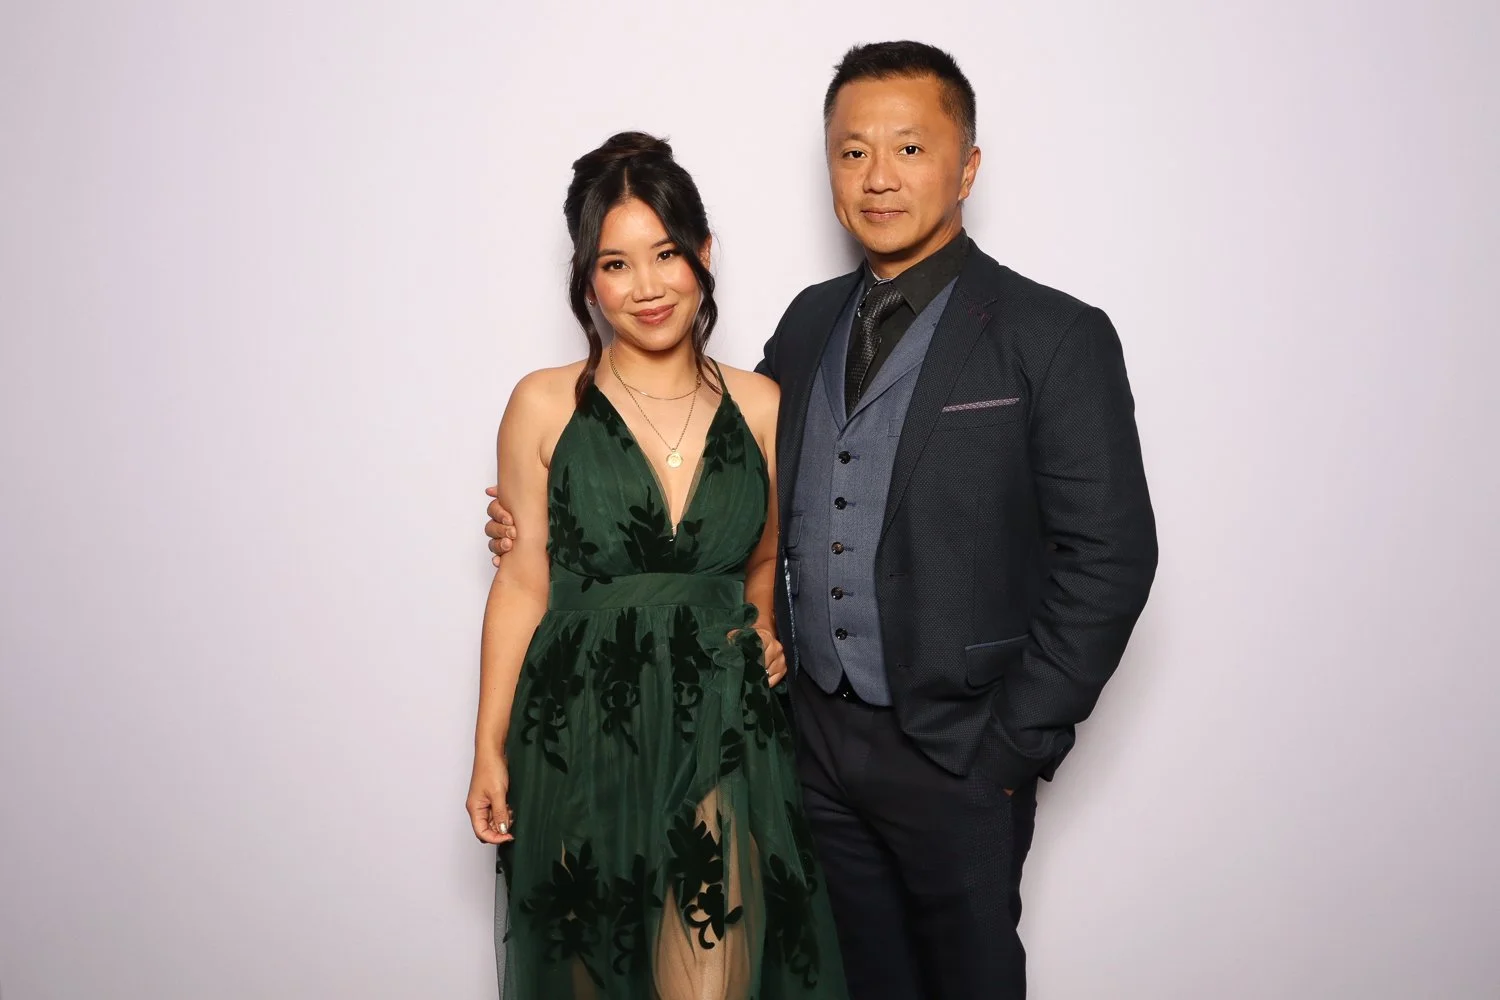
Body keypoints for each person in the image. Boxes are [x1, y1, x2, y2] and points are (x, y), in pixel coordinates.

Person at [488, 43, 1157, 999]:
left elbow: (1112, 557)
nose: (878, 176)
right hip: (805, 751)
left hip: (961, 751)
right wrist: (549, 515)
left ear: (967, 166)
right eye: (851, 153)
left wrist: (1013, 746)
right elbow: (719, 485)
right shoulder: (803, 328)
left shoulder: (1053, 334)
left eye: (910, 149)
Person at [467, 131, 848, 999]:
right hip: (573, 727)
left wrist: (760, 626)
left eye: (666, 254)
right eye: (615, 264)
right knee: (588, 975)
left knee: (712, 975)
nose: (646, 287)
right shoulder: (541, 401)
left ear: (703, 254)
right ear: (586, 277)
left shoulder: (761, 404)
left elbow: (762, 559)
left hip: (720, 724)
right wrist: (487, 747)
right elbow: (522, 581)